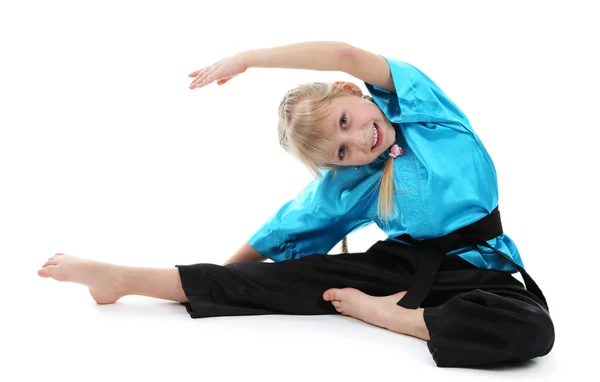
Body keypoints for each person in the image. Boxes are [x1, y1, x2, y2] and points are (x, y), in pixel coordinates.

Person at [37, 41, 554, 368]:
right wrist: (221, 277)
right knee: (293, 279)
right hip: (400, 267)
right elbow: (281, 227)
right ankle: (124, 279)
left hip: (479, 265)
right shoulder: (357, 180)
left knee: (534, 328)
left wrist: (249, 59)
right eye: (342, 151)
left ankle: (397, 318)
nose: (358, 142)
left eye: (345, 122)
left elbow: (346, 54)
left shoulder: (431, 117)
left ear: (350, 91)